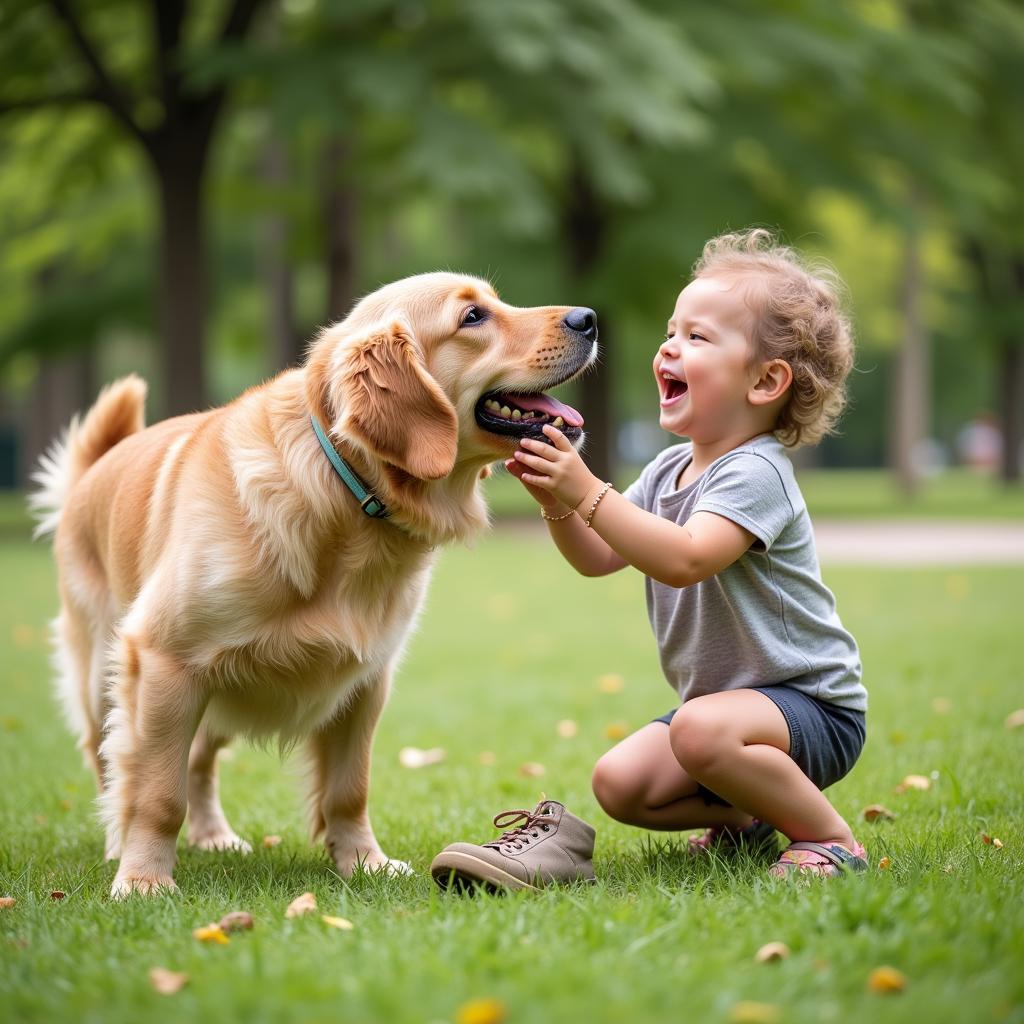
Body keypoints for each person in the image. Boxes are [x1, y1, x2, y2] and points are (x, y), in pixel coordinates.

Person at [430, 229, 868, 890]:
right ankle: (749, 822)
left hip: (810, 708)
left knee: (698, 731)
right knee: (621, 784)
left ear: (767, 379)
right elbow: (601, 555)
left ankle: (829, 839)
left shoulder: (757, 473)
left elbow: (688, 559)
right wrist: (557, 500)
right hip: (724, 715)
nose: (669, 346)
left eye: (698, 337)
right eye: (671, 331)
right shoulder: (668, 469)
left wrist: (588, 489)